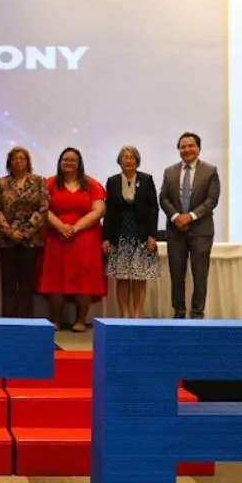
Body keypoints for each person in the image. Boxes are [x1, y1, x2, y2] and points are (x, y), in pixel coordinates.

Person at [37, 147, 107, 332]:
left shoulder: (91, 184)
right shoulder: (49, 183)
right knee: (55, 279)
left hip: (85, 239)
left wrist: (75, 228)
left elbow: (99, 210)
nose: (68, 163)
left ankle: (81, 320)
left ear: (79, 163)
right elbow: (42, 208)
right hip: (56, 237)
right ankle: (55, 320)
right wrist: (60, 226)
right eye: (65, 160)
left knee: (85, 280)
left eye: (73, 160)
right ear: (60, 162)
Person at [158, 131, 221, 319]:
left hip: (201, 231)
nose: (187, 150)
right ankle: (178, 314)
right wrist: (176, 216)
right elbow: (163, 198)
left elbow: (212, 200)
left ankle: (197, 315)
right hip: (175, 231)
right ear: (179, 150)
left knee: (200, 275)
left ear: (198, 149)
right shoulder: (169, 172)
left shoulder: (210, 171)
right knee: (176, 275)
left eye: (191, 146)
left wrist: (190, 217)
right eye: (183, 147)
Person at [102, 145, 160, 318]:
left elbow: (153, 209)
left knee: (140, 277)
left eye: (132, 157)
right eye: (125, 157)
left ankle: (137, 315)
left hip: (141, 234)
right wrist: (105, 237)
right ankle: (125, 314)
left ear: (137, 161)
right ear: (119, 161)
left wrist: (153, 235)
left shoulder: (147, 179)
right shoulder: (112, 181)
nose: (128, 160)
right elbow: (109, 211)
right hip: (119, 234)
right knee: (122, 277)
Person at [0, 146, 48, 318]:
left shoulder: (39, 181)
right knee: (8, 282)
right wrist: (10, 232)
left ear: (28, 162)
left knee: (26, 282)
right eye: (15, 158)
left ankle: (26, 320)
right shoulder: (2, 182)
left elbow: (43, 209)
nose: (18, 161)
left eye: (22, 158)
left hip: (30, 240)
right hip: (5, 240)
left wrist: (25, 232)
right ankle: (8, 320)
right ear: (9, 162)